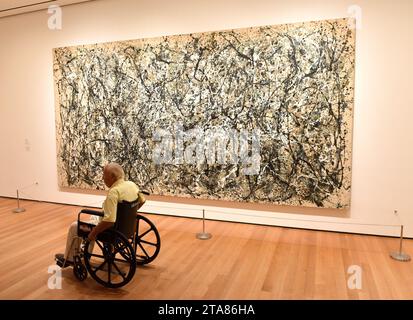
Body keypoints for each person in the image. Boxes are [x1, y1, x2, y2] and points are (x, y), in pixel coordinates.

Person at [55, 162, 146, 267]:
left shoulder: (114, 192)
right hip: (127, 227)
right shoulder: (131, 184)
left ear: (112, 177)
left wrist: (93, 233)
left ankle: (70, 259)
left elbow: (110, 221)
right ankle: (86, 253)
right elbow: (142, 201)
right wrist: (127, 216)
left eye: (104, 175)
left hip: (111, 230)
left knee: (75, 227)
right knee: (93, 217)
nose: (103, 178)